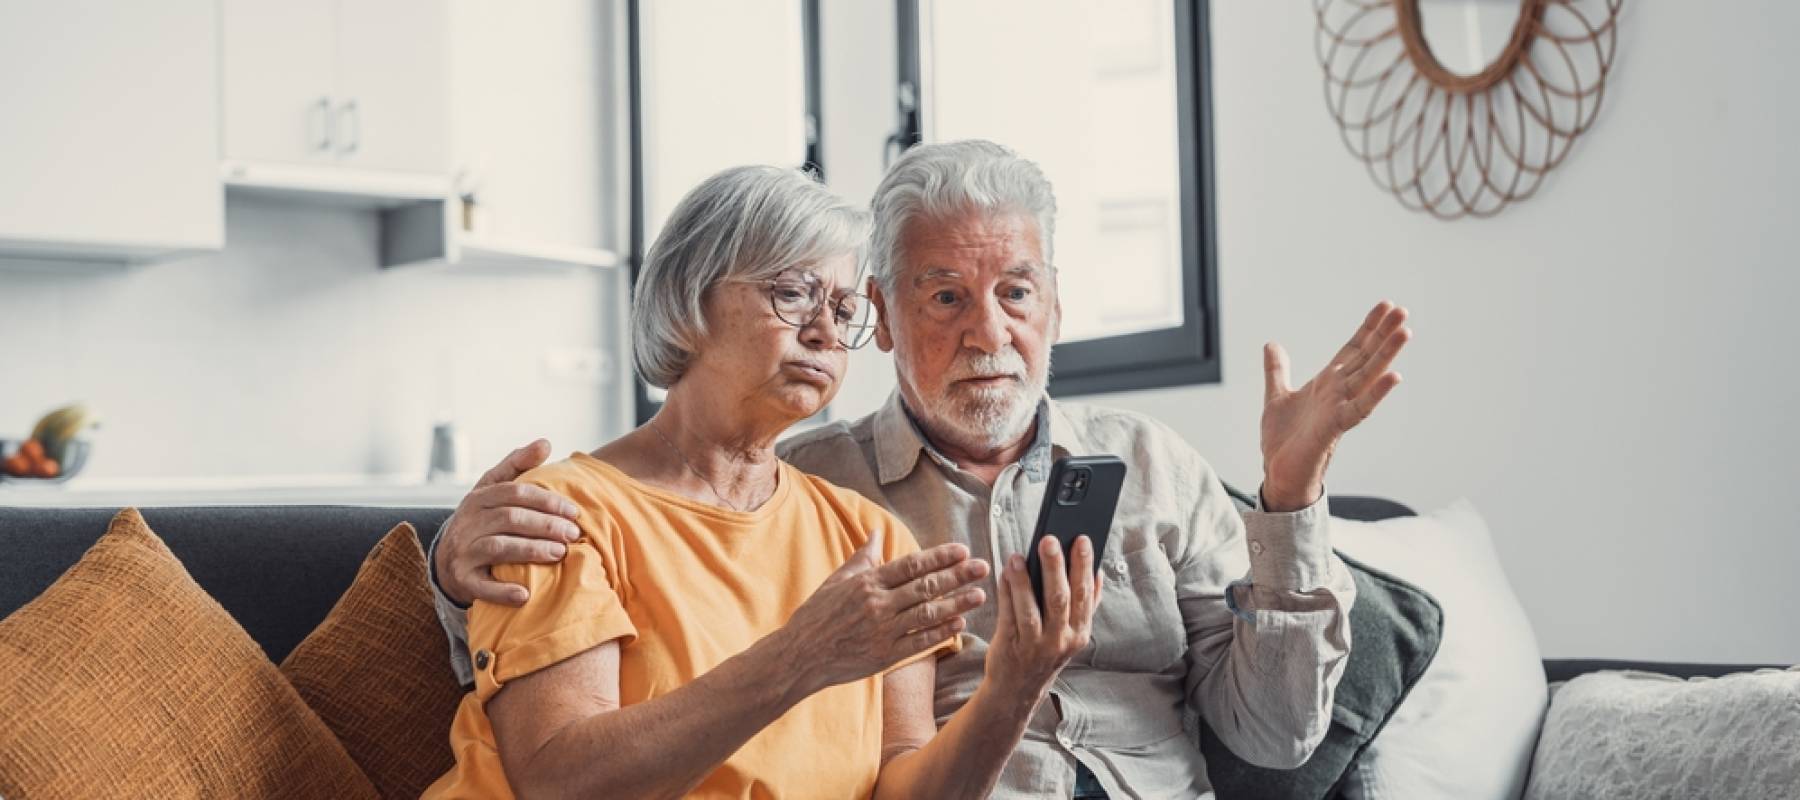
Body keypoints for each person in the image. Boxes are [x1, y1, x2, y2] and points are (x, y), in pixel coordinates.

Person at [433, 141, 1411, 798]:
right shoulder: (777, 485)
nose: (989, 330)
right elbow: (548, 735)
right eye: (944, 295)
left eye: (1017, 292)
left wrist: (1289, 496)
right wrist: (447, 566)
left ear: (1056, 309)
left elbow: (1276, 736)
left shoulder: (869, 528)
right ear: (892, 318)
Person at [422, 164, 1104, 799]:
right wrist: (799, 658)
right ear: (689, 301)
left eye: (840, 309)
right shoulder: (558, 511)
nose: (824, 333)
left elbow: (905, 787)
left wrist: (1014, 687)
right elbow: (558, 778)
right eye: (792, 293)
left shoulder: (870, 537)